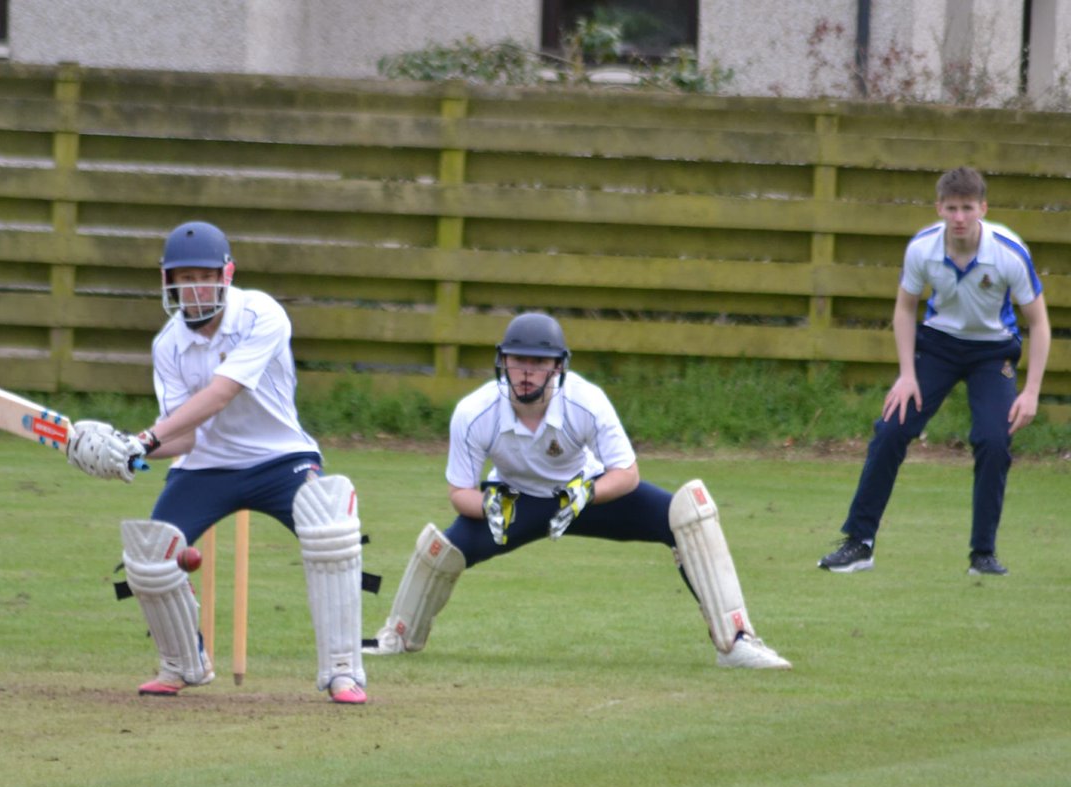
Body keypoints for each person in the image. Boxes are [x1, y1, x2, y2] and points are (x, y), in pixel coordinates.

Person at [364, 312, 791, 669]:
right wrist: (490, 507)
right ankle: (397, 636)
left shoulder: (586, 400)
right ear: (503, 362)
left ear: (558, 367)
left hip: (586, 495)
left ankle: (736, 642)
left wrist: (583, 496)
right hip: (515, 501)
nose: (526, 371)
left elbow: (627, 473)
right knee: (440, 550)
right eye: (517, 361)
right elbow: (459, 490)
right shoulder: (474, 413)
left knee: (689, 515)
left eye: (538, 361)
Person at [64, 221, 370, 703]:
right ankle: (184, 664)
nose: (194, 288)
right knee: (149, 555)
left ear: (227, 274)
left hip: (280, 456)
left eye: (203, 276)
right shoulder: (168, 345)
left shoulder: (261, 314)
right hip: (203, 465)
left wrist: (142, 439)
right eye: (183, 279)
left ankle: (342, 671)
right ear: (169, 284)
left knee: (330, 525)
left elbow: (222, 394)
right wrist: (123, 452)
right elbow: (181, 434)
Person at [818, 167, 1051, 576]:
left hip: (992, 352)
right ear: (939, 208)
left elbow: (1040, 323)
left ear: (983, 208)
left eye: (967, 208)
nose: (959, 217)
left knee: (994, 441)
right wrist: (907, 374)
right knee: (891, 428)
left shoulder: (1009, 253)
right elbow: (905, 309)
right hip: (938, 347)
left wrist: (1030, 391)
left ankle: (983, 555)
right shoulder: (922, 249)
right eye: (951, 208)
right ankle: (859, 543)